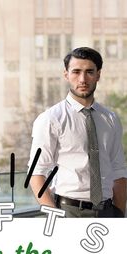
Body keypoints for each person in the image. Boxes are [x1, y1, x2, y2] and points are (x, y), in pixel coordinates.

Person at [28, 47, 127, 217]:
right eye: (76, 72)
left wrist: (119, 213)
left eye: (89, 72)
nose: (82, 79)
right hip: (68, 212)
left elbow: (118, 170)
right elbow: (36, 174)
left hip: (108, 212)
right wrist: (56, 218)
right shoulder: (51, 119)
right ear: (66, 74)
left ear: (98, 75)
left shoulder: (110, 119)